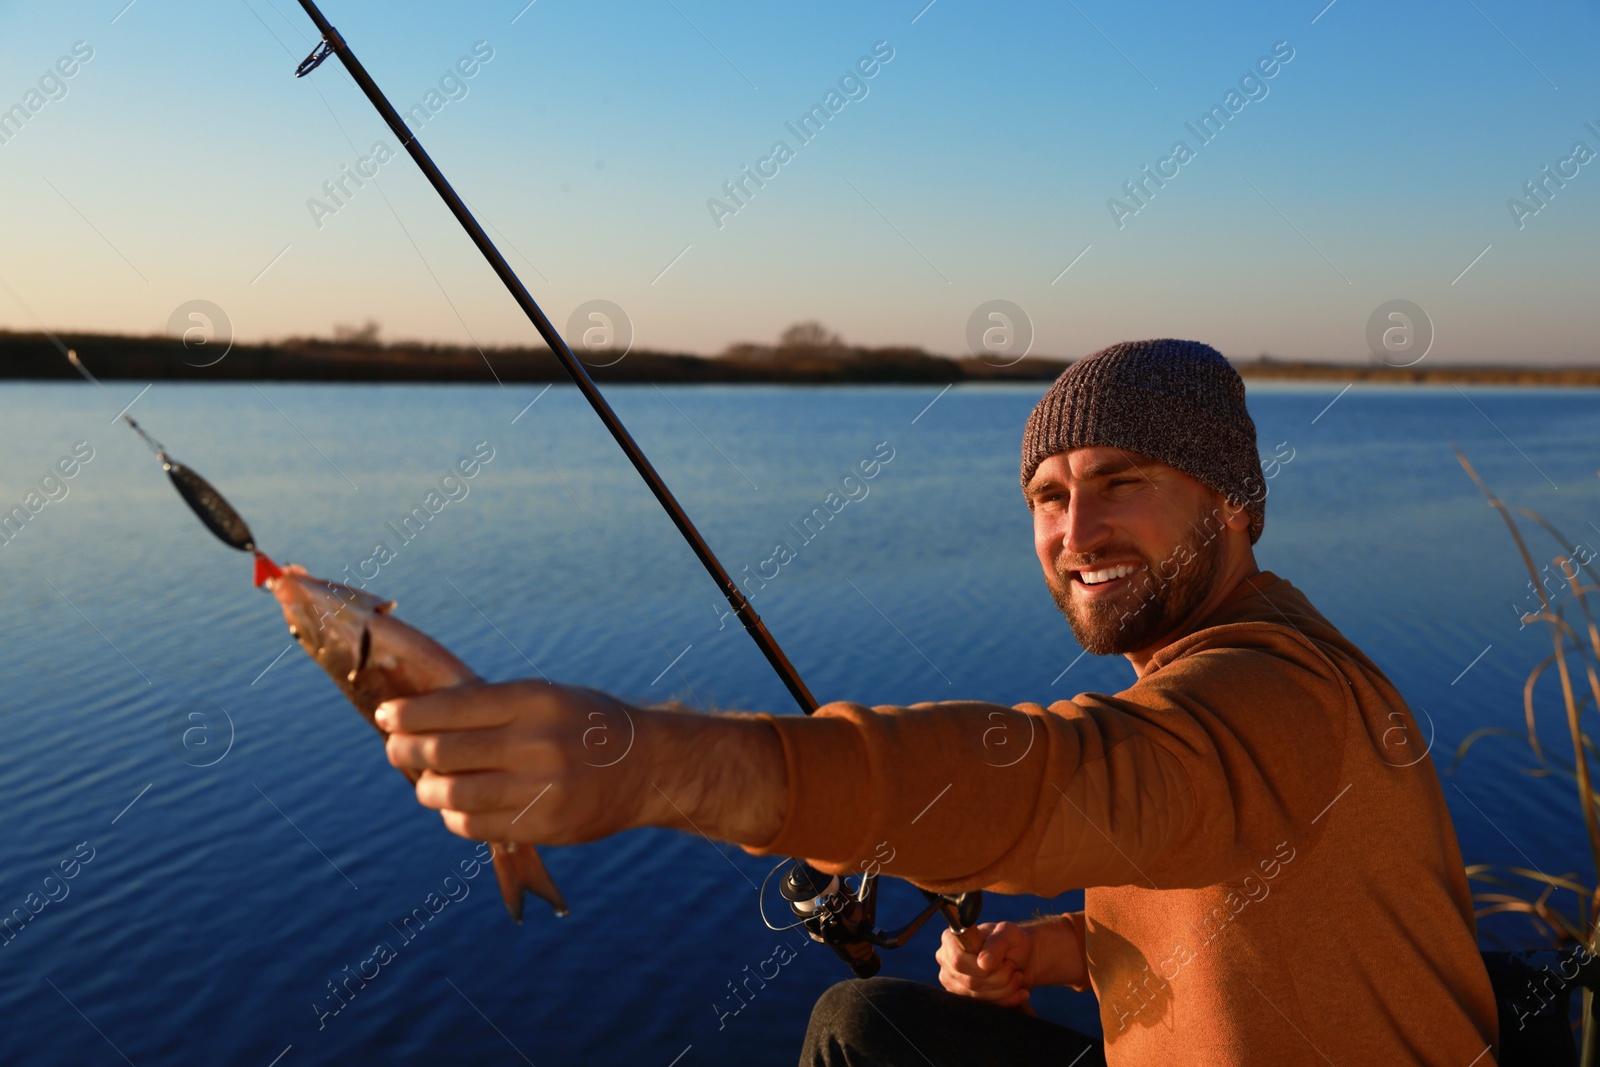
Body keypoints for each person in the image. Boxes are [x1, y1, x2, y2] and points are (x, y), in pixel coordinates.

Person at [375, 339, 1499, 1066]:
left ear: (1233, 504)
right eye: (1048, 496)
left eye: (1123, 482)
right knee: (867, 1026)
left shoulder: (1281, 689)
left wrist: (659, 765)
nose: (1074, 531)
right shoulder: (1200, 680)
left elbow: (1062, 776)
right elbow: (1204, 862)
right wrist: (1062, 949)